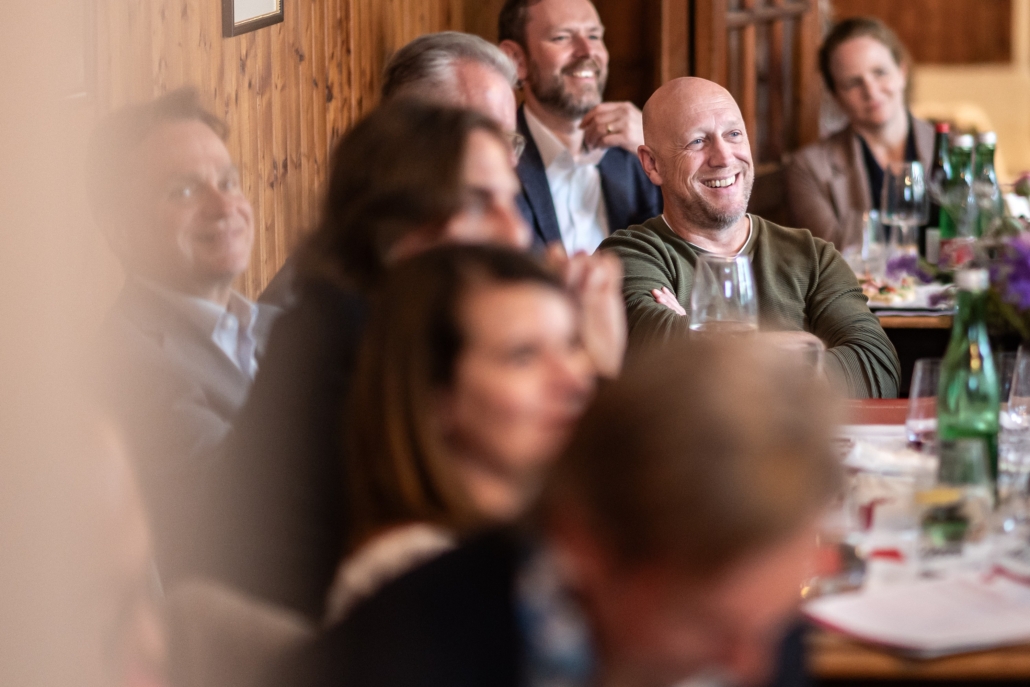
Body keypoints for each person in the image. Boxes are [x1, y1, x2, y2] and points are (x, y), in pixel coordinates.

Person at [202, 101, 625, 620]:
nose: (515, 232)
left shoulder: (365, 315)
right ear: (397, 227)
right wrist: (595, 361)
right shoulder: (351, 342)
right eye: (478, 203)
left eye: (511, 201)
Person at [274, 336, 841, 687]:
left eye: (775, 621)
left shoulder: (755, 619)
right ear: (586, 546)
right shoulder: (398, 657)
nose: (753, 667)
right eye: (708, 626)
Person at [323, 244, 594, 623]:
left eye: (572, 345)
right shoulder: (407, 577)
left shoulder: (549, 542)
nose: (573, 381)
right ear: (434, 397)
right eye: (523, 356)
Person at [599, 77, 901, 398]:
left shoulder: (813, 257)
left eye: (733, 134)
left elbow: (877, 370)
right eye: (697, 141)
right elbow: (652, 363)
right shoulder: (625, 258)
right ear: (652, 164)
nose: (724, 157)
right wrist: (805, 351)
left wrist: (698, 341)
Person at [87, 88, 281, 581]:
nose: (224, 205)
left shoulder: (280, 324)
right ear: (119, 230)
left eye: (228, 181)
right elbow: (254, 508)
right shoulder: (126, 365)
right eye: (184, 191)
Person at [258, 31, 522, 309]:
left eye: (511, 139)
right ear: (409, 136)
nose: (509, 161)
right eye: (487, 135)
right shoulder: (310, 305)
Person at [498, 0, 662, 253]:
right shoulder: (496, 164)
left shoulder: (639, 154)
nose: (587, 51)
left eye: (594, 36)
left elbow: (694, 250)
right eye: (562, 37)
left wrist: (659, 152)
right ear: (516, 60)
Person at [784, 17, 933, 249]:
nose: (871, 91)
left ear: (902, 72)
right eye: (853, 83)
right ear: (836, 96)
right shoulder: (809, 169)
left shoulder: (955, 148)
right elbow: (832, 260)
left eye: (880, 72)